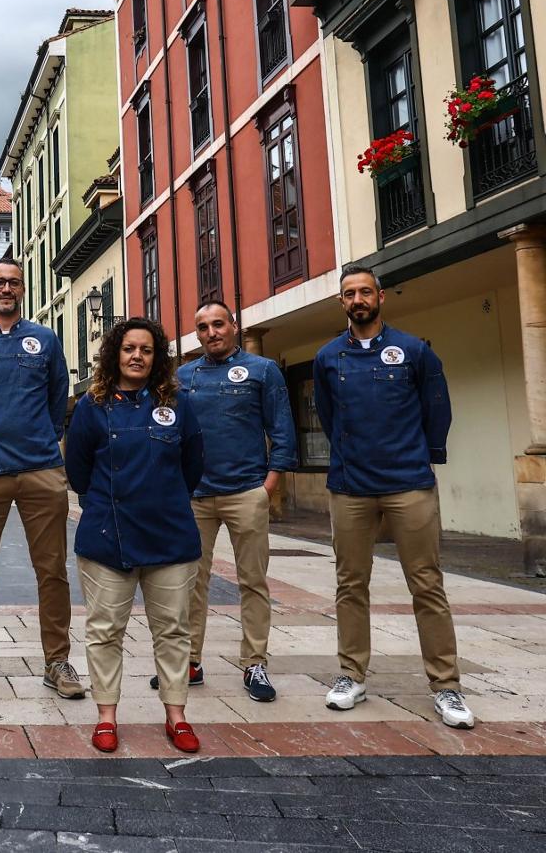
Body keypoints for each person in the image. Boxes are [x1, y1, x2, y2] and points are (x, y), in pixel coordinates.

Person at [313, 264, 474, 728]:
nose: (357, 299)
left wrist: (426, 456)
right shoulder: (327, 358)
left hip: (409, 482)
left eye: (365, 291)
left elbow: (436, 409)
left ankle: (446, 686)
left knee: (427, 584)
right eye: (349, 294)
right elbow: (327, 415)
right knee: (350, 584)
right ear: (342, 303)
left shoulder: (413, 351)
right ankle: (351, 676)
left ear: (381, 297)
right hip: (350, 486)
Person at [65, 318, 205, 754]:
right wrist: (106, 503)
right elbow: (78, 471)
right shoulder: (92, 406)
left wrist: (164, 498)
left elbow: (193, 465)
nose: (138, 356)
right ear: (115, 354)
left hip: (170, 535)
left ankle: (176, 713)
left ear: (156, 357)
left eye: (146, 349)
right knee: (105, 630)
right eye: (129, 349)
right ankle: (107, 715)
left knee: (173, 630)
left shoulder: (178, 404)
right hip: (109, 534)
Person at [0, 259, 81, 700]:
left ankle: (57, 662)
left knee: (53, 572)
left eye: (14, 282)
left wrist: (43, 441)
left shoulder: (43, 339)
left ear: (22, 289)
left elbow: (56, 397)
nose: (6, 288)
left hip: (41, 469)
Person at [168, 301, 296, 702]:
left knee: (253, 582)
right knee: (190, 584)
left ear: (234, 326)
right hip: (196, 497)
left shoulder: (263, 370)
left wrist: (267, 487)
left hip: (246, 492)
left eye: (218, 324)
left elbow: (283, 431)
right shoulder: (183, 377)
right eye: (203, 327)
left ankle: (254, 663)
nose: (211, 333)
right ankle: (190, 662)